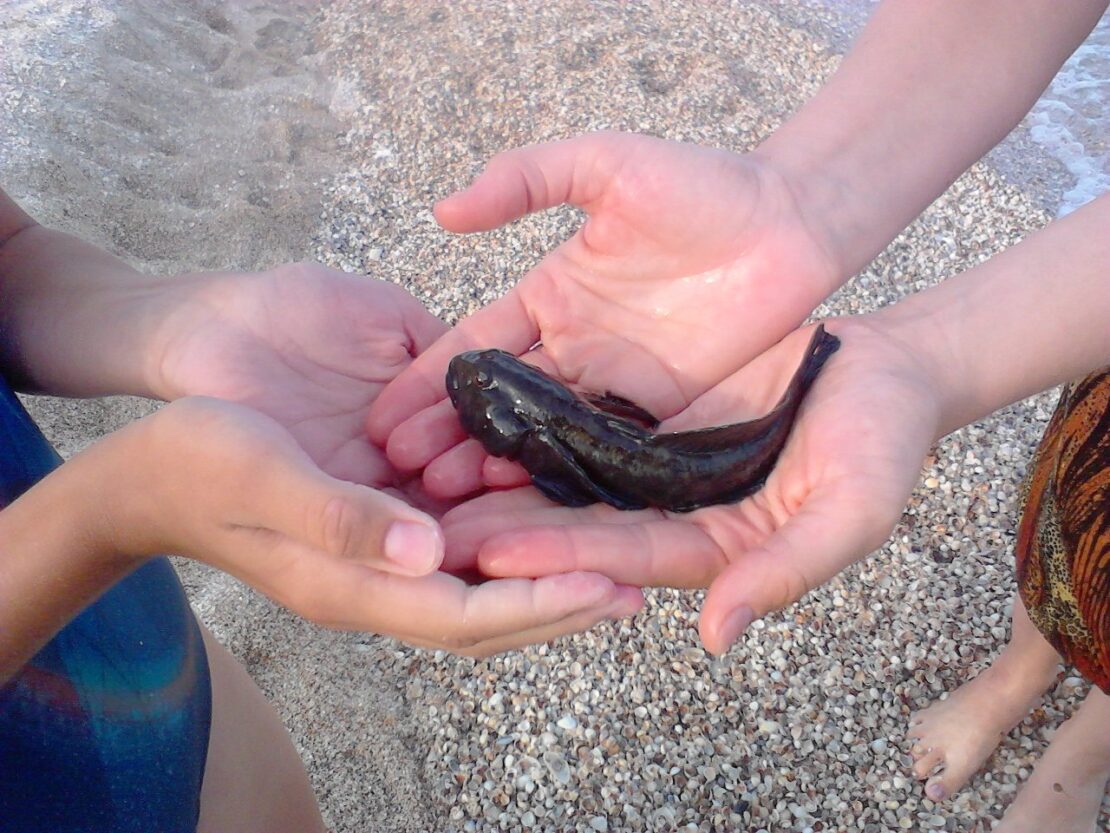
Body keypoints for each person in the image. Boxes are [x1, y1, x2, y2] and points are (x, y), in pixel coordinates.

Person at [367, 1, 1109, 828]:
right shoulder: (566, 426)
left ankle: (1086, 751)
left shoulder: (554, 432)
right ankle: (1021, 670)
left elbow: (586, 450)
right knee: (1076, 541)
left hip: (691, 462)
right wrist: (804, 202)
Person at [0, 186, 642, 832]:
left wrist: (188, 323)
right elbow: (116, 508)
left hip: (163, 671)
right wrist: (113, 511)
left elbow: (9, 251)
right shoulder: (116, 514)